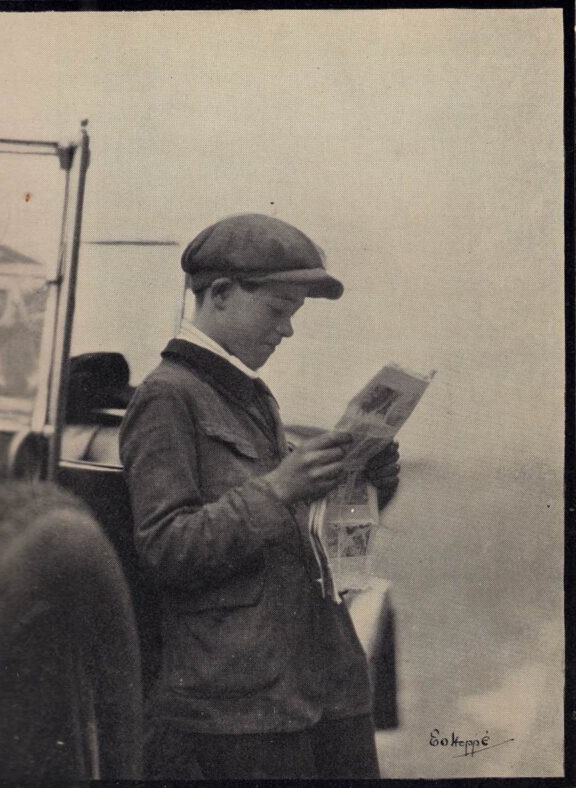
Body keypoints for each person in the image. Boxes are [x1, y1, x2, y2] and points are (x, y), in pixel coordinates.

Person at [119, 213, 400, 779]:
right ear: (220, 293)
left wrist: (366, 477)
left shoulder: (248, 394)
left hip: (318, 686)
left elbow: (300, 531)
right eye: (277, 310)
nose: (287, 330)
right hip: (238, 705)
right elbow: (165, 548)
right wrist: (280, 489)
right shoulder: (167, 397)